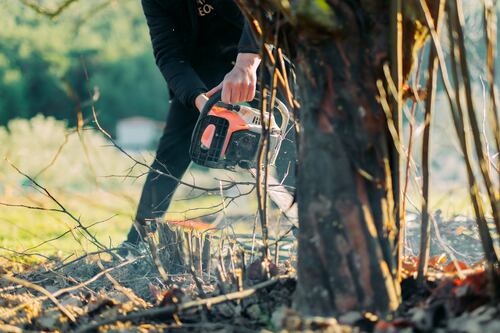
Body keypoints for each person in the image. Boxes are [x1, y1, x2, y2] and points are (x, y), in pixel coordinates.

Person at [123, 0, 262, 247]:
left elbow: (267, 8)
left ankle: (308, 232)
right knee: (169, 157)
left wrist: (247, 63)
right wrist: (201, 103)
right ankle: (136, 243)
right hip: (202, 74)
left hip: (261, 55)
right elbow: (168, 54)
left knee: (293, 143)